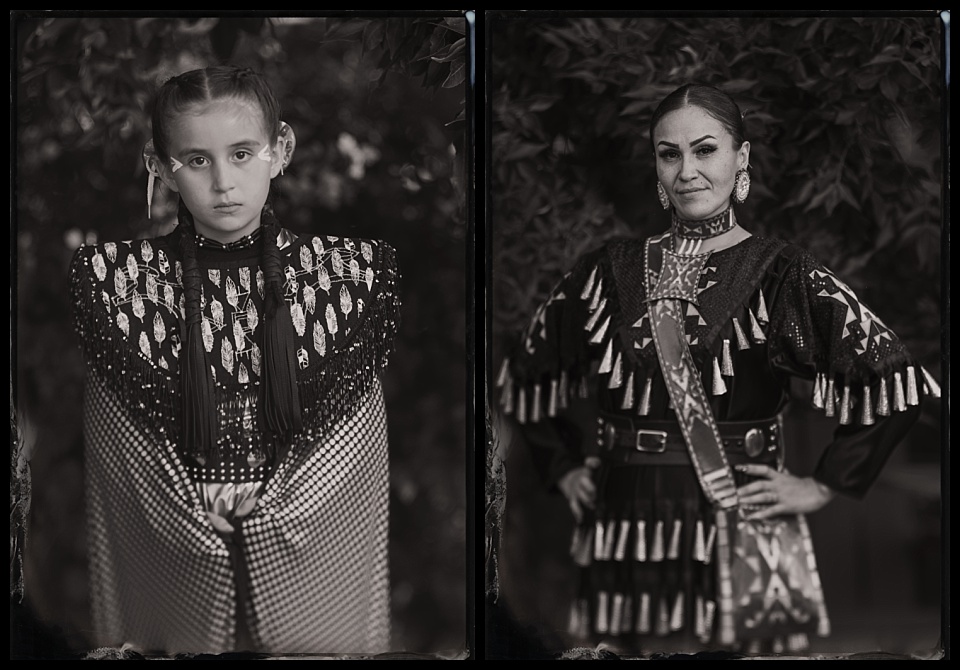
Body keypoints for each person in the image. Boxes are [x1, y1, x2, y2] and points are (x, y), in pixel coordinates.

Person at [497, 83, 939, 655]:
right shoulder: (609, 270)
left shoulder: (782, 274)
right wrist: (561, 467)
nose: (687, 170)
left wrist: (824, 483)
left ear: (741, 158)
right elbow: (528, 375)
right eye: (669, 153)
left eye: (705, 150)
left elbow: (894, 379)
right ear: (656, 166)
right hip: (625, 532)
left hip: (742, 527)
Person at [69, 66, 400, 654]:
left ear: (281, 150)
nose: (223, 181)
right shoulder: (118, 285)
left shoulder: (345, 278)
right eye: (196, 161)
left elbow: (356, 441)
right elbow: (118, 441)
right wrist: (188, 519)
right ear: (158, 168)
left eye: (242, 153)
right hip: (173, 540)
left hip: (308, 536)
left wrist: (273, 517)